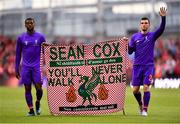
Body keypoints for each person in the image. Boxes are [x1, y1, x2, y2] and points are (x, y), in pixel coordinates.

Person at [128, 7, 167, 116]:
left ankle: (145, 110)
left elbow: (161, 29)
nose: (144, 24)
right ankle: (140, 104)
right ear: (140, 25)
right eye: (142, 23)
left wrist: (163, 18)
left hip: (148, 66)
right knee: (135, 90)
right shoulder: (134, 37)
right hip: (137, 66)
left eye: (146, 23)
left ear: (149, 25)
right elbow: (130, 51)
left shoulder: (152, 36)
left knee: (146, 87)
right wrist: (126, 44)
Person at [15, 17, 46, 116]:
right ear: (25, 25)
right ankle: (31, 110)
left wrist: (47, 65)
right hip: (25, 67)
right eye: (27, 23)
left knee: (39, 88)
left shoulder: (40, 37)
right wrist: (16, 68)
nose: (29, 25)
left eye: (31, 23)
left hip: (37, 66)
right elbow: (18, 54)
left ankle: (37, 102)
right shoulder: (21, 38)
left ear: (34, 24)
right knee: (27, 89)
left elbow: (46, 51)